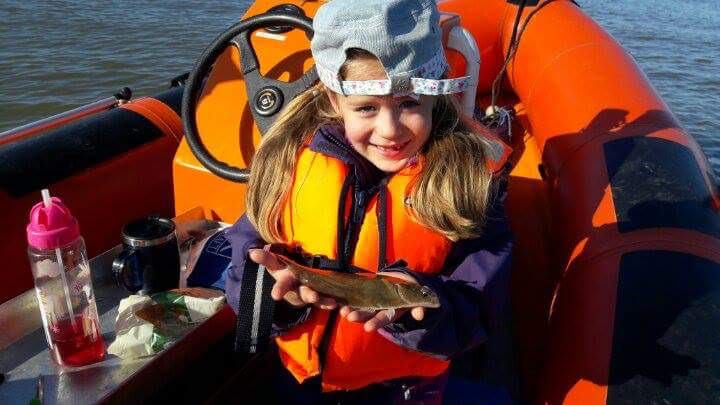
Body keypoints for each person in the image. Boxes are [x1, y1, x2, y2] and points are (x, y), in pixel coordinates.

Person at [224, 0, 515, 402]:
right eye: (366, 108)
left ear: (436, 92)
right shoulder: (286, 165)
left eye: (409, 103)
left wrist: (421, 310)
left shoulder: (468, 185)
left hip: (406, 387)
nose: (390, 130)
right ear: (332, 99)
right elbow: (245, 279)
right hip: (299, 379)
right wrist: (281, 299)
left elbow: (480, 306)